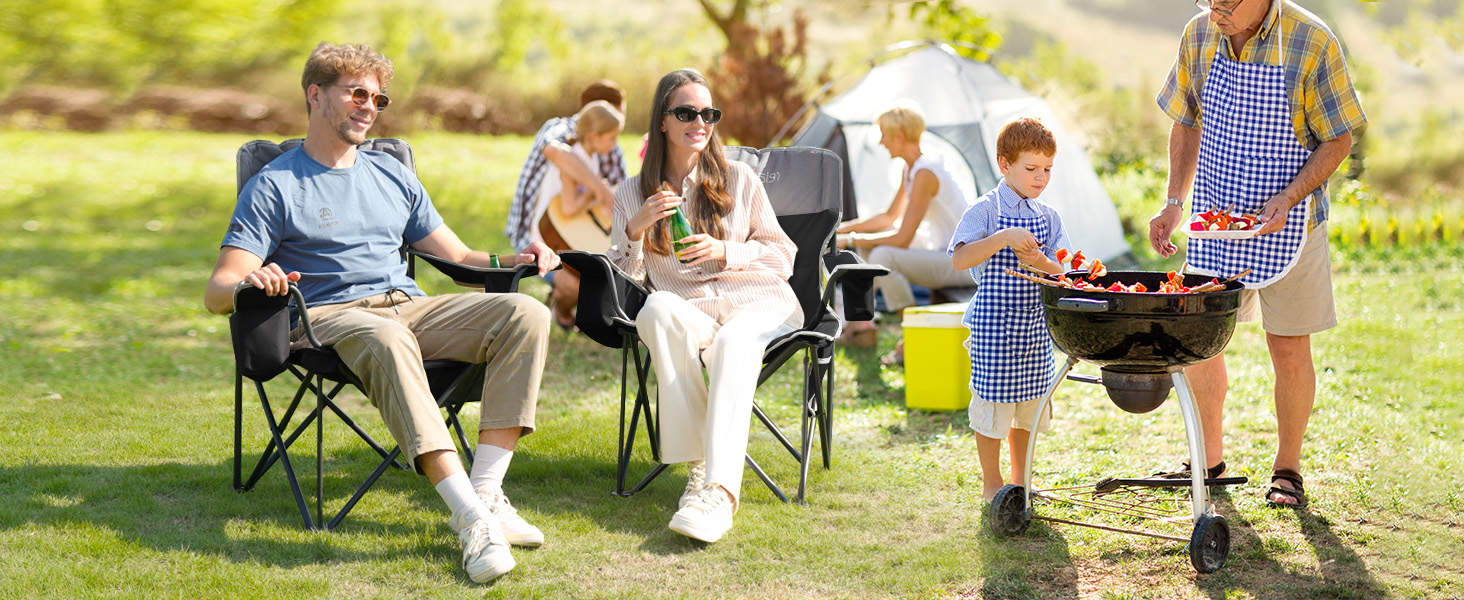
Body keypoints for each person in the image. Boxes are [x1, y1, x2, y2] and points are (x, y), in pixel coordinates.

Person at [204, 42, 561, 583]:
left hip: (406, 308)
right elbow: (217, 290)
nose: (369, 106)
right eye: (357, 93)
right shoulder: (275, 184)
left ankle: (487, 494)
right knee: (386, 339)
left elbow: (461, 258)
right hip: (325, 317)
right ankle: (468, 519)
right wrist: (254, 278)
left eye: (377, 97)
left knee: (524, 314)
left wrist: (516, 259)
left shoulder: (391, 175)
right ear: (315, 94)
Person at [1148, 0, 1366, 508]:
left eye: (1227, 1)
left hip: (1289, 222)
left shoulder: (1311, 40)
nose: (1215, 9)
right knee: (1203, 340)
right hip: (1215, 218)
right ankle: (1207, 462)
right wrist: (1174, 202)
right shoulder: (1199, 35)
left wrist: (1289, 196)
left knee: (1288, 347)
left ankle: (1287, 469)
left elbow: (1339, 137)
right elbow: (1185, 120)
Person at [608, 68, 801, 543]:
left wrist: (726, 251)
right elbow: (626, 282)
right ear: (663, 121)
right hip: (690, 306)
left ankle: (717, 491)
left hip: (754, 300)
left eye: (708, 113)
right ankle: (700, 467)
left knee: (735, 341)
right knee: (654, 311)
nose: (700, 121)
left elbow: (785, 255)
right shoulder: (633, 193)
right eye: (687, 112)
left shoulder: (740, 178)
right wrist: (634, 231)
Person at [947, 117, 1069, 501]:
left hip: (1034, 330)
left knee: (1028, 408)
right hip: (993, 329)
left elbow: (1065, 271)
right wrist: (1003, 239)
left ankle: (1021, 480)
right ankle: (992, 483)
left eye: (1047, 169)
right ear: (1005, 164)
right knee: (994, 408)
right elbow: (960, 259)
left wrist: (1040, 263)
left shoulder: (1049, 217)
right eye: (1031, 169)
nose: (1040, 178)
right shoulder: (985, 209)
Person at [834, 101, 974, 363]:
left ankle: (912, 337)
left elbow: (903, 237)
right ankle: (860, 327)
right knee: (869, 249)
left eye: (884, 135)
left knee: (884, 256)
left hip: (962, 261)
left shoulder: (925, 173)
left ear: (899, 136)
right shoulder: (913, 168)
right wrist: (845, 228)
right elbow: (889, 217)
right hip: (940, 249)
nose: (881, 142)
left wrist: (849, 239)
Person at [505, 80, 629, 329]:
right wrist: (597, 193)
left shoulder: (595, 153)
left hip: (571, 233)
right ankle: (561, 311)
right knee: (578, 285)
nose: (617, 144)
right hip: (545, 235)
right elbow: (570, 207)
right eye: (613, 136)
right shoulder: (571, 152)